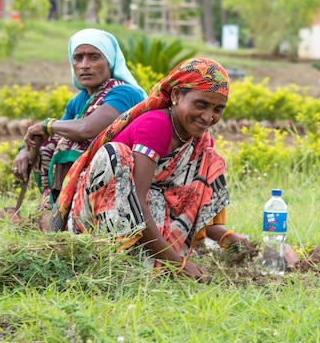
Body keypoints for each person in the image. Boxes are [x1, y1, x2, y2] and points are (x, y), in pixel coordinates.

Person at [50, 57, 256, 282]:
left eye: (218, 109)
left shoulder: (198, 141)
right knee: (117, 155)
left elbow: (185, 206)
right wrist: (177, 264)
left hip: (146, 222)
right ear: (176, 96)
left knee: (212, 159)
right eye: (200, 105)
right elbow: (137, 201)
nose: (208, 117)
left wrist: (226, 237)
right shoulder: (157, 124)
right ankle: (113, 258)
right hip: (100, 222)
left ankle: (153, 263)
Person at [12, 28, 147, 210]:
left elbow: (87, 129)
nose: (85, 65)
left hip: (128, 176)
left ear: (110, 61)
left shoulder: (123, 92)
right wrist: (25, 149)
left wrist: (46, 125)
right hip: (94, 177)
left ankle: (72, 209)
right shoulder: (79, 101)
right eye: (78, 58)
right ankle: (55, 207)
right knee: (50, 140)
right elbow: (53, 133)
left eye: (94, 57)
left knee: (70, 138)